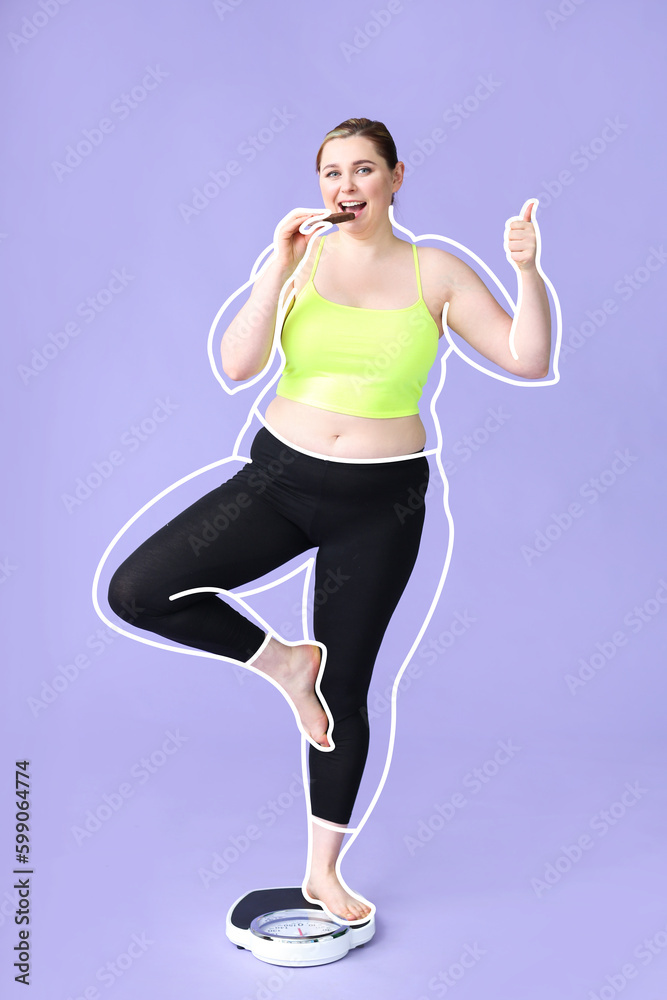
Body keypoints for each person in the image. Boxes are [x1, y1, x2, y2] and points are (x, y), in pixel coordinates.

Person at [107, 117, 552, 924]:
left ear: (394, 177)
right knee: (138, 590)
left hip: (380, 506)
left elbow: (528, 358)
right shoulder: (300, 259)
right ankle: (281, 662)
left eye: (363, 170)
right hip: (279, 481)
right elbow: (236, 364)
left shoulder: (437, 271)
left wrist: (527, 272)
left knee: (346, 686)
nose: (345, 187)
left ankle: (323, 875)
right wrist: (272, 271)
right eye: (330, 173)